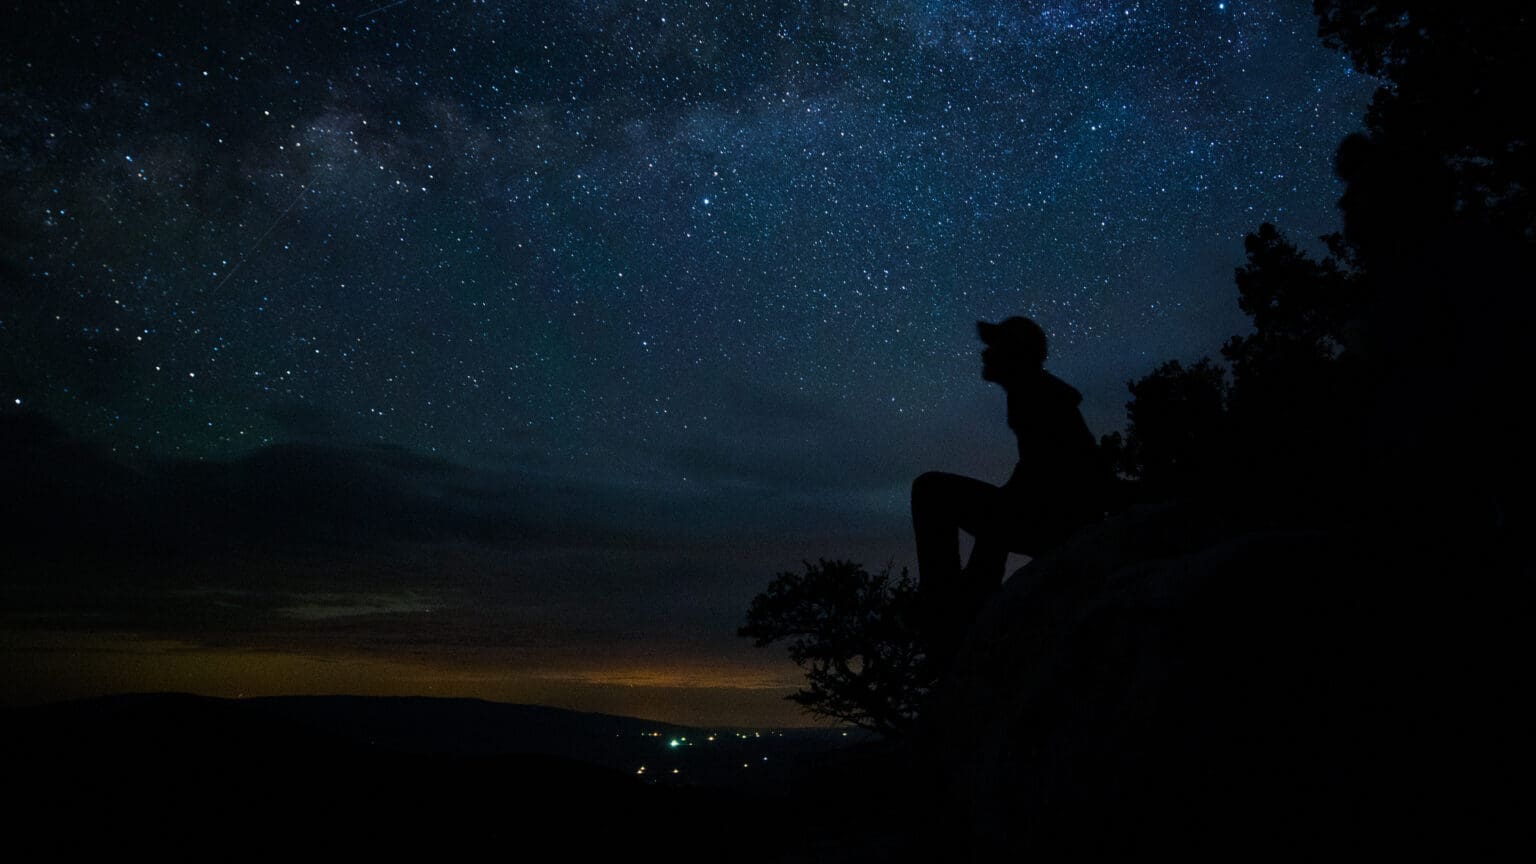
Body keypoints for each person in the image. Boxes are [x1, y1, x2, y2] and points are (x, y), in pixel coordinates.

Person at [912, 316, 1103, 661]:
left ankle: (949, 620)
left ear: (1015, 353)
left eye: (994, 347)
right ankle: (963, 611)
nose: (985, 355)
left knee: (930, 492)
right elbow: (1031, 479)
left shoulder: (1037, 396)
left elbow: (1061, 476)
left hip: (1059, 523)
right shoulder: (1030, 393)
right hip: (1056, 518)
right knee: (966, 502)